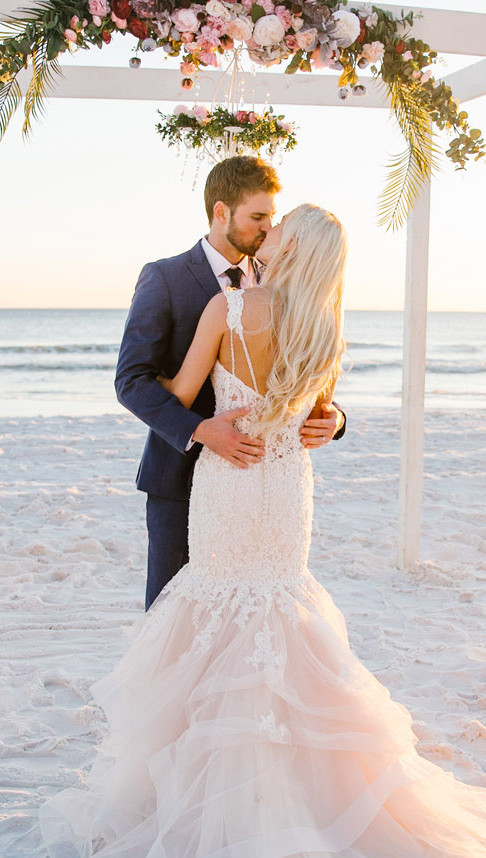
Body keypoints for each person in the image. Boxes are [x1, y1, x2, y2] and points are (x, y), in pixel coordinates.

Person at [0, 202, 486, 858]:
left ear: (285, 243)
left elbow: (184, 393)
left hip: (232, 485)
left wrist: (213, 406)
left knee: (217, 619)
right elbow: (315, 404)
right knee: (281, 618)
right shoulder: (324, 323)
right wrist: (302, 412)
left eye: (277, 228)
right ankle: (297, 805)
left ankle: (218, 816)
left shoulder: (230, 307)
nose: (264, 236)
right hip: (285, 492)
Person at [114, 155, 346, 610]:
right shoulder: (164, 278)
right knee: (173, 616)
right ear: (221, 212)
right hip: (180, 479)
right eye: (258, 217)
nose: (267, 228)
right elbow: (131, 381)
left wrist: (334, 418)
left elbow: (305, 381)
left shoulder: (283, 279)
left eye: (273, 219)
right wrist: (198, 430)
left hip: (269, 485)